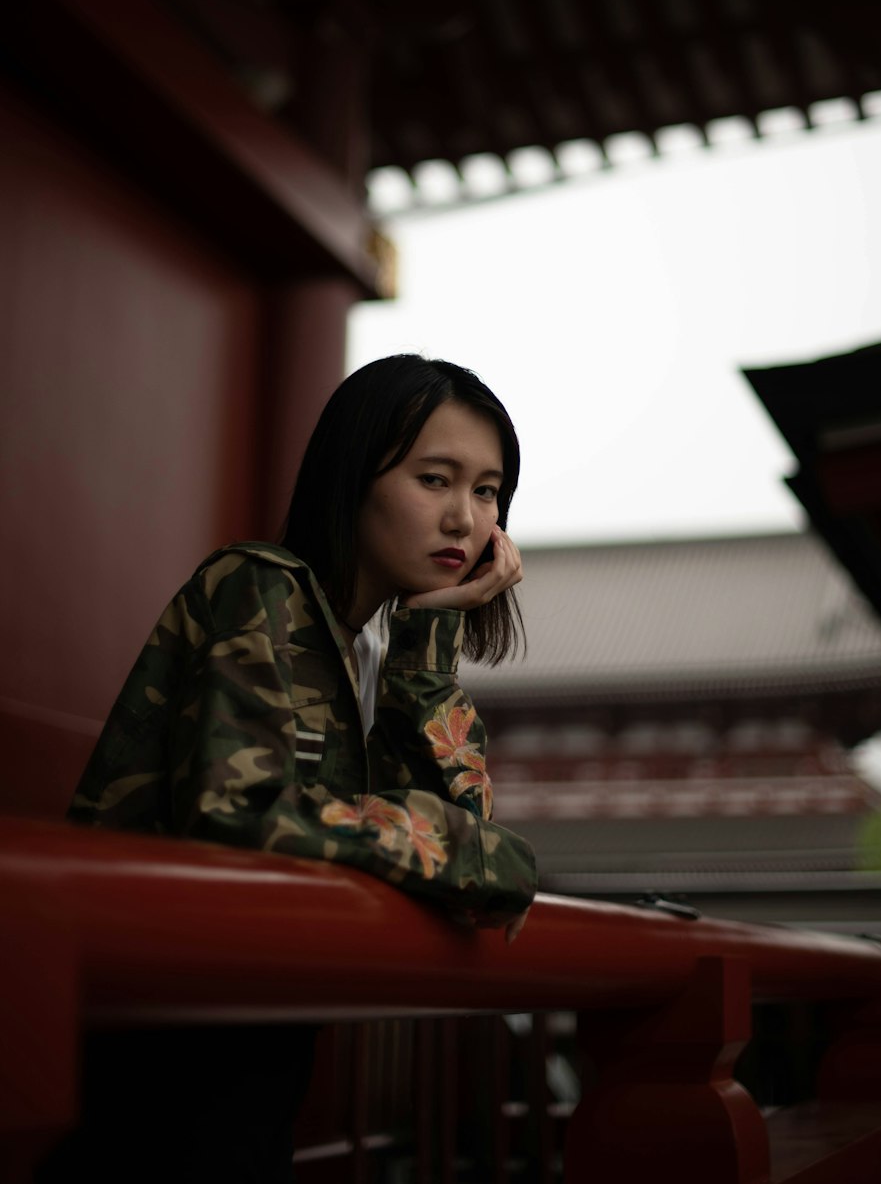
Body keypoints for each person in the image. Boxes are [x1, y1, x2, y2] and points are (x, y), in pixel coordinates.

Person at [44, 354, 537, 1184]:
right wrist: (477, 857)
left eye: (487, 491)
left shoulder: (381, 642)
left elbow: (462, 835)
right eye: (434, 479)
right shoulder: (258, 588)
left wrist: (426, 650)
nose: (465, 518)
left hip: (253, 1038)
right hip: (151, 1046)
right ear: (354, 475)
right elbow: (241, 811)